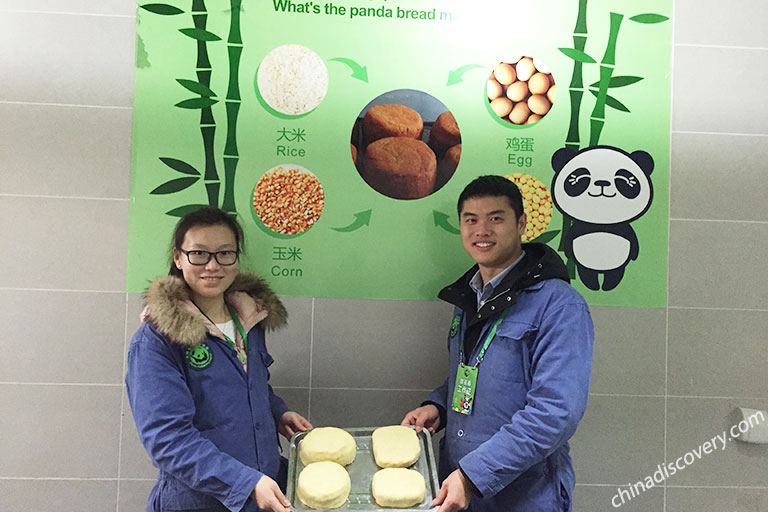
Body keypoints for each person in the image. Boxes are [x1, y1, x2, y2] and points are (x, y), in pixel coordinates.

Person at [402, 175, 594, 512]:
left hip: (525, 496)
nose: (482, 230)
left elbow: (555, 413)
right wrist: (439, 407)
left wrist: (473, 476)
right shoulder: (469, 297)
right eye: (471, 219)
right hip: (460, 489)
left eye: (496, 218)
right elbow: (477, 374)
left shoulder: (559, 305)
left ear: (521, 223)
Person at [126, 207, 312, 512]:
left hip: (263, 493)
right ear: (178, 258)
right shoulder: (157, 340)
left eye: (224, 253)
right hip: (200, 502)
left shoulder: (249, 319)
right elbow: (167, 440)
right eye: (199, 253)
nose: (212, 265)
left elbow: (250, 386)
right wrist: (244, 483)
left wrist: (277, 413)